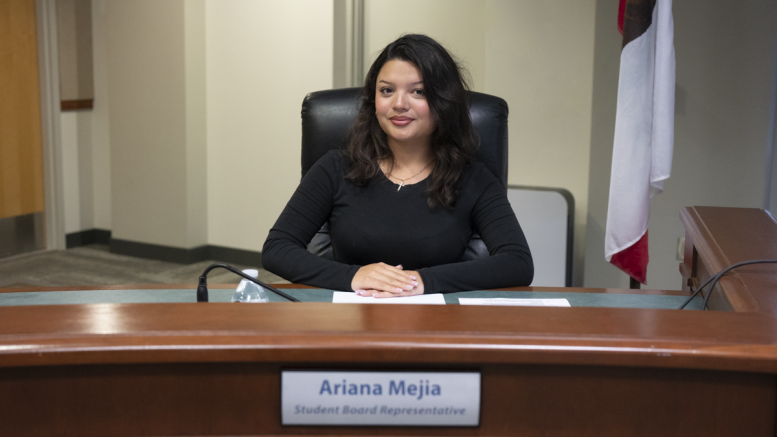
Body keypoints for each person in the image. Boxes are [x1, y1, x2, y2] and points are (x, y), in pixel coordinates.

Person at [262, 34, 533, 298]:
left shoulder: (472, 178)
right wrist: (353, 277)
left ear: (443, 101)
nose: (399, 104)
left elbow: (517, 262)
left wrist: (421, 281)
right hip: (349, 321)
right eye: (387, 90)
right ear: (373, 101)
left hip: (437, 324)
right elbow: (277, 248)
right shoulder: (336, 167)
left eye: (418, 91)